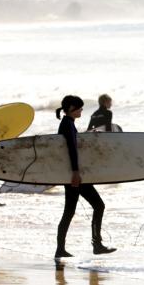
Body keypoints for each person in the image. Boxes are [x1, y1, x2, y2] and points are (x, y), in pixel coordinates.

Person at [55, 95, 116, 259]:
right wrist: (75, 172)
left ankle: (60, 249)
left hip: (71, 174)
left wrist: (89, 134)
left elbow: (73, 143)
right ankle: (96, 245)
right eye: (79, 107)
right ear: (70, 109)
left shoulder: (68, 124)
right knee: (98, 205)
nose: (82, 110)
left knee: (70, 211)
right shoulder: (67, 124)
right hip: (74, 175)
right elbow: (72, 150)